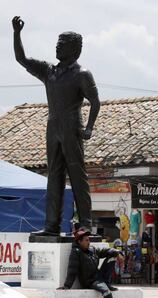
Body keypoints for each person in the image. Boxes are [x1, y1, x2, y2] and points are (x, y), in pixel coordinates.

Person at [12, 17, 101, 236]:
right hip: (53, 127)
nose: (57, 46)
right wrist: (16, 33)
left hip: (72, 127)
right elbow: (21, 58)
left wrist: (89, 127)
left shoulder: (82, 74)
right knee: (54, 177)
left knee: (77, 175)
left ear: (74, 49)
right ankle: (52, 225)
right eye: (57, 42)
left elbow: (96, 102)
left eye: (62, 43)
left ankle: (86, 223)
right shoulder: (48, 70)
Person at [59, 229, 124, 298]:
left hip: (99, 277)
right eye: (86, 240)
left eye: (89, 240)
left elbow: (105, 251)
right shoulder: (76, 252)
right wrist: (67, 286)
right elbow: (72, 270)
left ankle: (106, 283)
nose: (89, 242)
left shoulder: (92, 249)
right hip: (90, 281)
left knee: (112, 256)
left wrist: (118, 253)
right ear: (79, 241)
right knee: (106, 291)